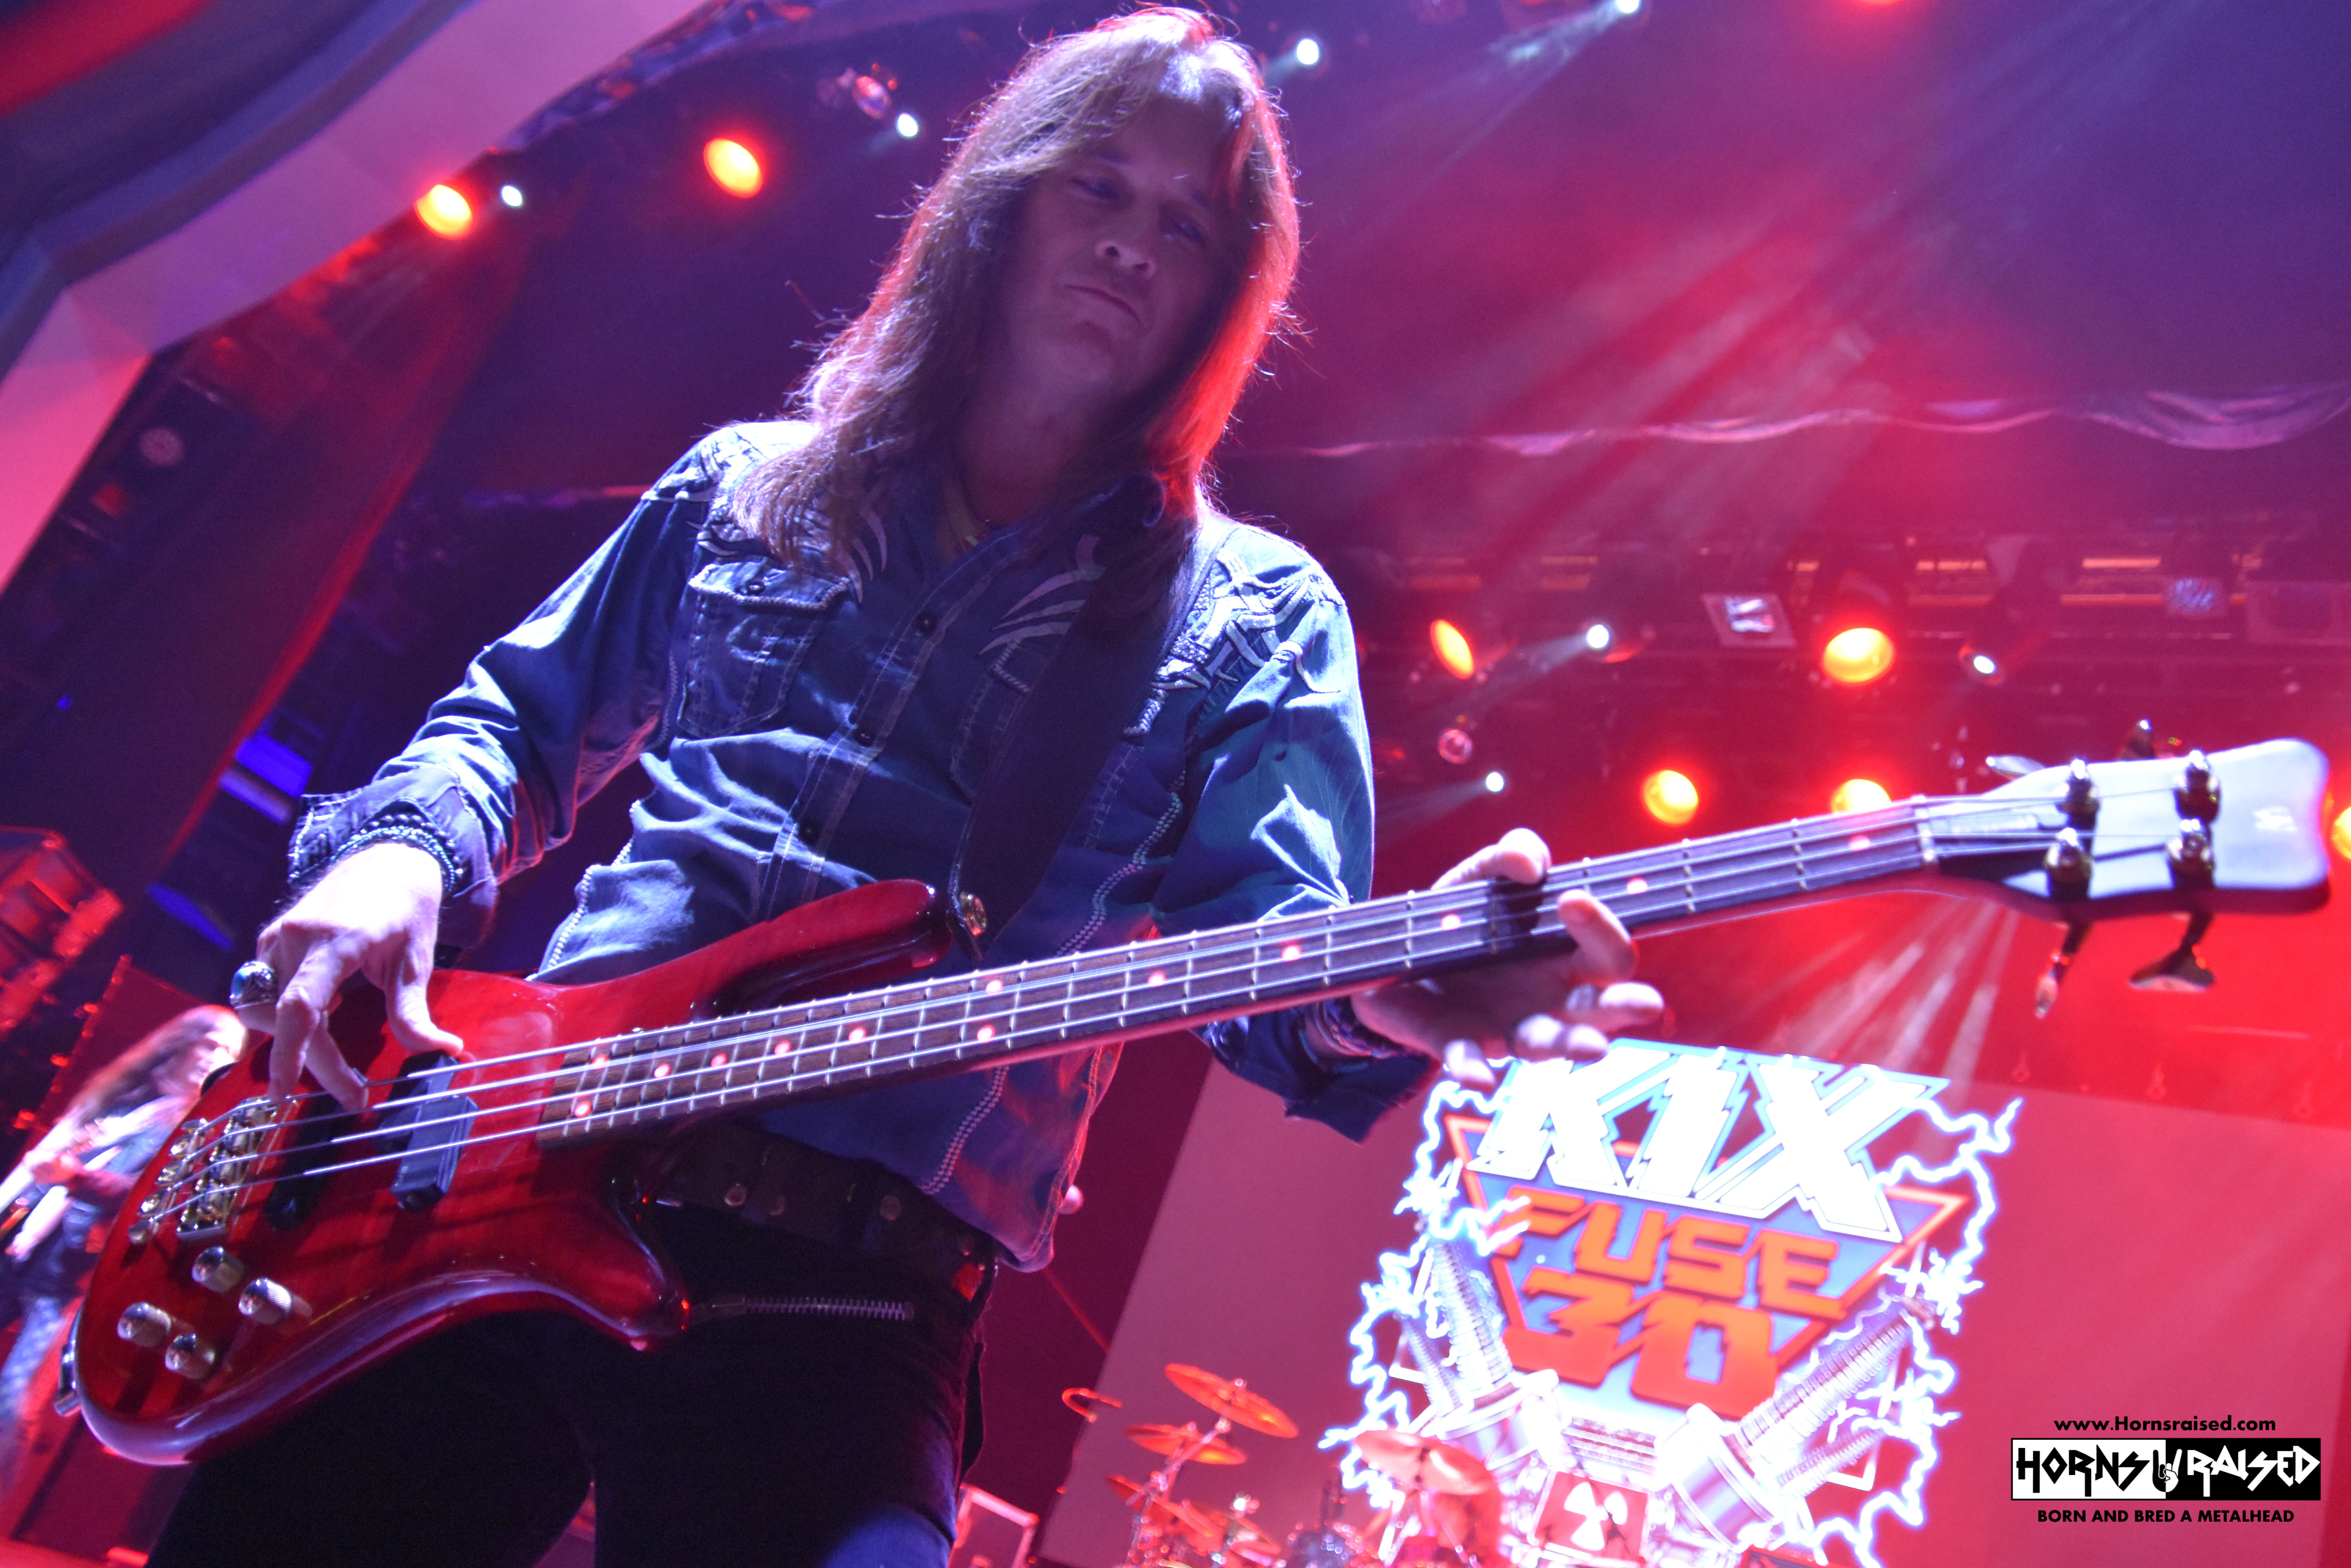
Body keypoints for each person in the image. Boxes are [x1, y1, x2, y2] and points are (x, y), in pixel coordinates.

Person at [152, 11, 1659, 1566]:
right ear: (1001, 203)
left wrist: (1385, 994)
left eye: (1188, 226)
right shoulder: (745, 482)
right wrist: (394, 859)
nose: (1134, 244)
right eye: (1100, 186)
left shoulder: (1253, 615)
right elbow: (514, 725)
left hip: (840, 1295)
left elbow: (1273, 957)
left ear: (1223, 294)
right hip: (487, 1182)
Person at [0, 1006, 243, 1483]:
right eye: (211, 1045)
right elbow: (44, 1161)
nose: (215, 1059)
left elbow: (141, 1194)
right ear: (180, 1044)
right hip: (22, 1248)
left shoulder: (191, 1129)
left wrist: (76, 1177)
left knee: (12, 1404)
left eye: (228, 1054)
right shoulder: (122, 1100)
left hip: (70, 1280)